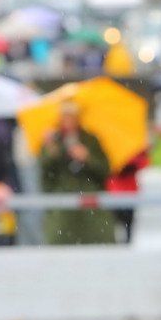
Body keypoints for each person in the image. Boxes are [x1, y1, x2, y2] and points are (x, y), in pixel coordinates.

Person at [39, 101, 114, 245]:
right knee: (60, 244)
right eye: (65, 117)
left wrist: (87, 158)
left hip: (91, 206)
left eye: (72, 116)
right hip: (61, 205)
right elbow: (45, 172)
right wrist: (52, 152)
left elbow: (105, 170)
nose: (68, 121)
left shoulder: (91, 140)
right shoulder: (53, 141)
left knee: (98, 243)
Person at [105, 150, 150, 244]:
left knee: (128, 221)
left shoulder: (133, 153)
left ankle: (127, 241)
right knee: (120, 220)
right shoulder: (114, 153)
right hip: (118, 191)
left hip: (126, 192)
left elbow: (144, 163)